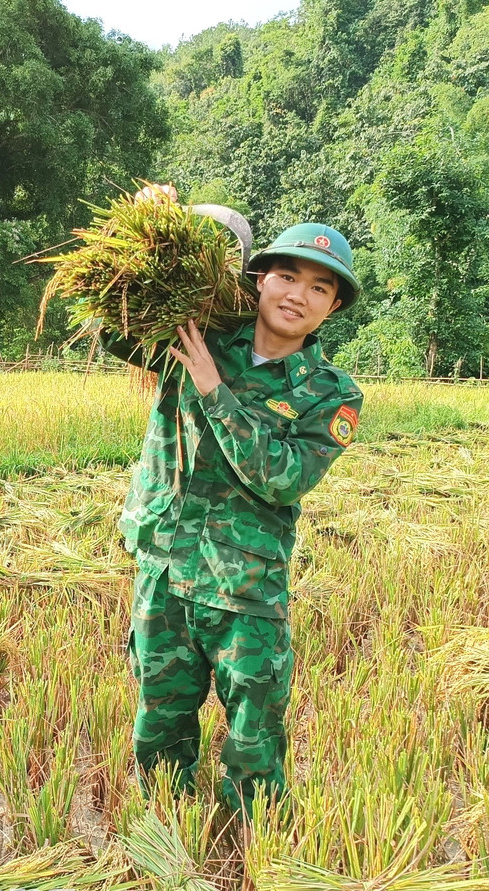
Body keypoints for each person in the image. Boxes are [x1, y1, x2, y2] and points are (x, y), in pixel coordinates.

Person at [101, 222, 364, 814]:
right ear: (259, 279)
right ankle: (168, 837)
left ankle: (256, 861)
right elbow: (108, 326)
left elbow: (284, 477)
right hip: (165, 569)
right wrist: (140, 237)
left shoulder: (330, 392)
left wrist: (215, 392)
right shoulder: (198, 336)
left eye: (319, 288)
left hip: (244, 588)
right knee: (158, 725)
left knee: (255, 742)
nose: (298, 294)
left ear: (334, 305)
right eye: (287, 276)